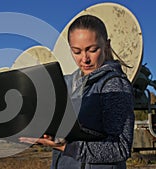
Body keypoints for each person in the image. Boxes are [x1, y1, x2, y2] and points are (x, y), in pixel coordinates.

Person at [20, 14, 135, 169]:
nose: (84, 59)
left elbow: (120, 148)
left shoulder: (114, 85)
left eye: (92, 50)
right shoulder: (68, 85)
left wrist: (67, 147)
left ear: (106, 45)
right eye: (77, 51)